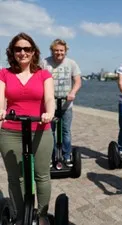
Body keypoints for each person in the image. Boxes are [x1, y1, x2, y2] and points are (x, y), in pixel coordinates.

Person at [0, 32, 55, 225]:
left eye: (27, 49)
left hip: (40, 129)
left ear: (33, 52)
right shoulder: (4, 73)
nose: (22, 52)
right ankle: (20, 214)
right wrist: (0, 110)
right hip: (10, 130)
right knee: (16, 177)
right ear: (12, 52)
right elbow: (1, 98)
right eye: (18, 49)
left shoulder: (43, 74)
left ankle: (41, 215)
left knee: (41, 174)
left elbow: (49, 98)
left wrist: (49, 112)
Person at [41, 39, 81, 167]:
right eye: (56, 50)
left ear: (65, 51)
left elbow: (78, 81)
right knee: (50, 132)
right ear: (52, 50)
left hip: (66, 105)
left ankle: (66, 156)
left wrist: (72, 93)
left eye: (61, 50)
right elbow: (38, 79)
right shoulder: (44, 63)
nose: (59, 52)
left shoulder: (71, 63)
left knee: (65, 132)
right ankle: (51, 157)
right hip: (49, 105)